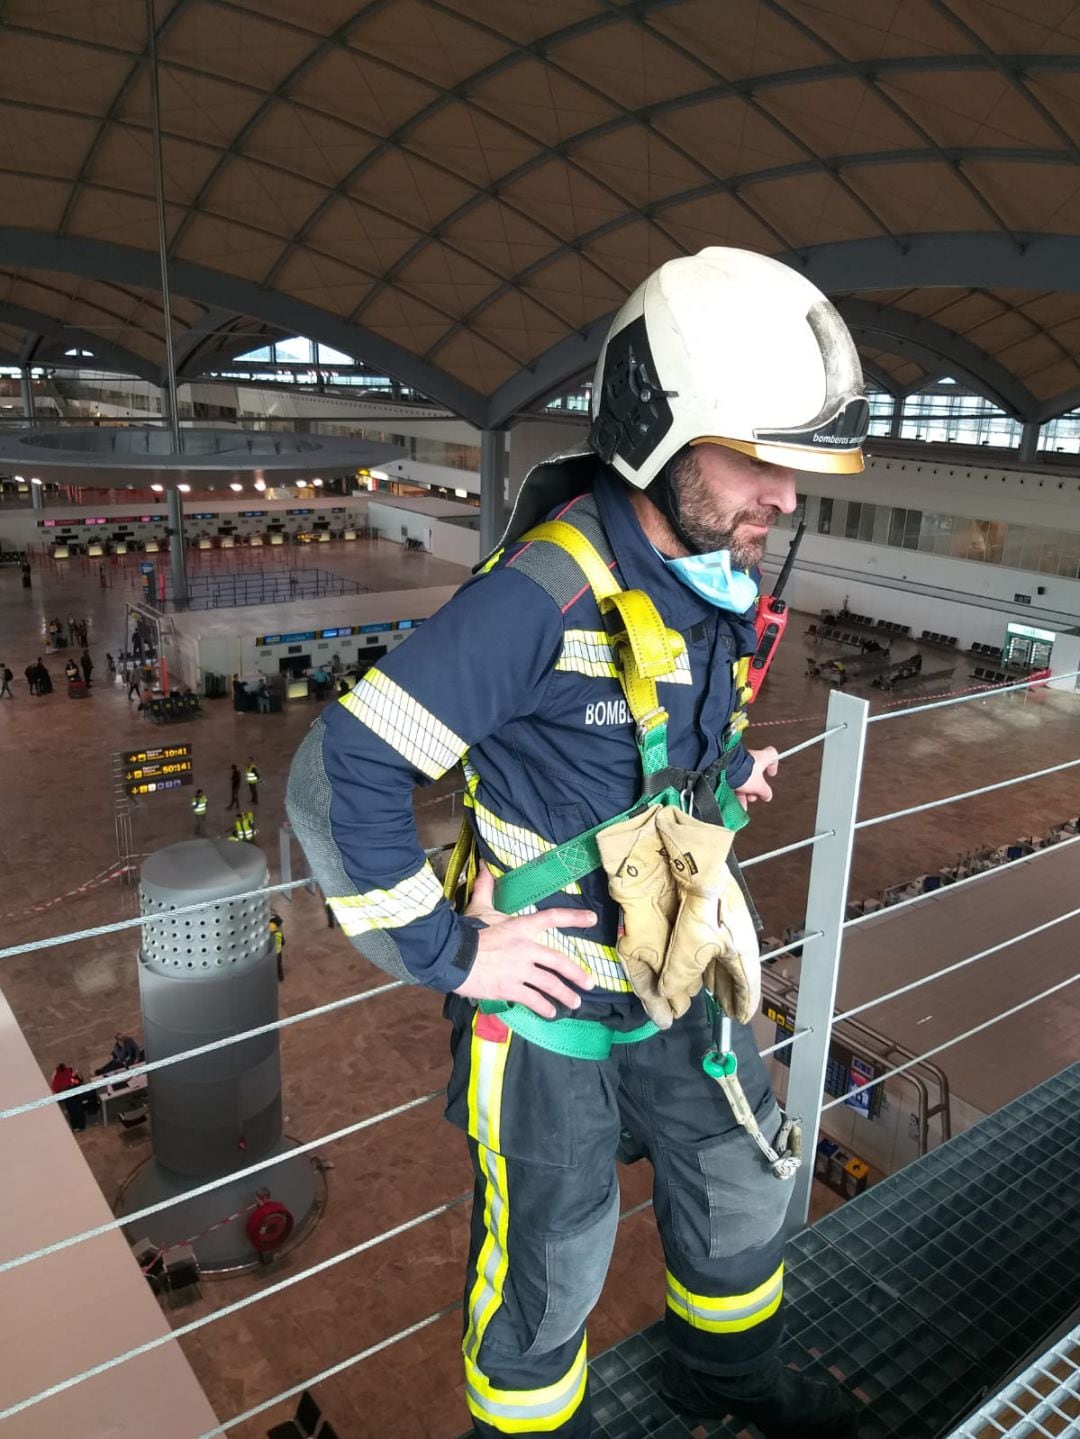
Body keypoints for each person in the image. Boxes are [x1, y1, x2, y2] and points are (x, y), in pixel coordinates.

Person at [285, 248, 867, 1438]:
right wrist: (452, 953)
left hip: (678, 963)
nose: (786, 498)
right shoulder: (539, 595)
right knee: (556, 1246)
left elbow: (641, 740)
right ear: (660, 433)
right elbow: (341, 768)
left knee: (740, 1173)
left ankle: (735, 1386)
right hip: (546, 1005)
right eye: (759, 460)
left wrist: (720, 781)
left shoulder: (712, 578)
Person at [51, 1062, 87, 1132]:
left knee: (72, 1111)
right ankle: (82, 1125)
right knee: (79, 1108)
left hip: (67, 1093)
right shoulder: (70, 1070)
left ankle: (75, 1127)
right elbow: (77, 1079)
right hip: (75, 1089)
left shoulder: (57, 1076)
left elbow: (55, 1089)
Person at [269, 912, 284, 981]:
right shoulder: (278, 934)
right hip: (278, 951)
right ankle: (280, 977)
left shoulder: (269, 936)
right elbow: (283, 942)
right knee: (278, 964)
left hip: (271, 952)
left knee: (273, 964)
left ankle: (274, 976)